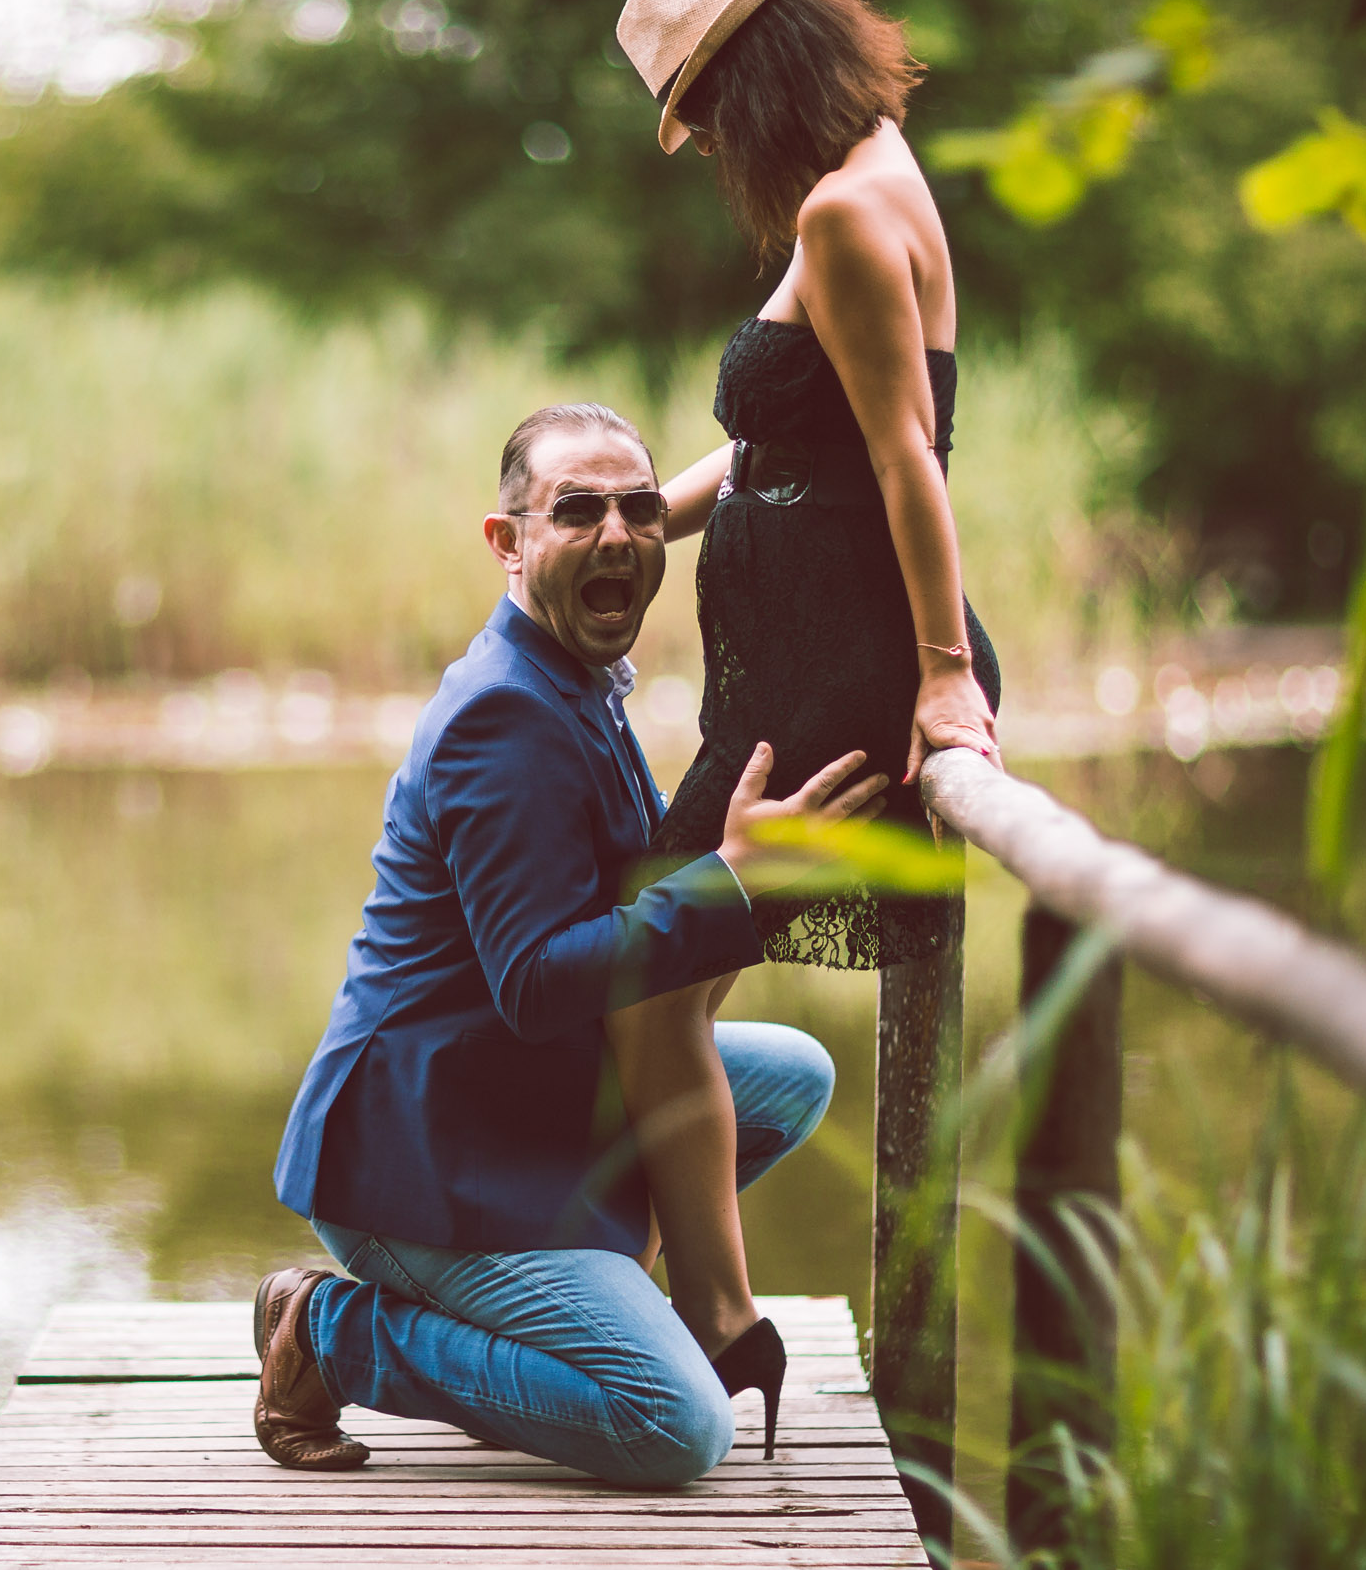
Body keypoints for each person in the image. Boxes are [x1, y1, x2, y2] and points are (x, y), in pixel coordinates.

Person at [254, 401, 891, 1487]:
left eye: (640, 512)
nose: (616, 536)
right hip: (419, 1154)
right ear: (509, 544)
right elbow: (540, 987)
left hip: (520, 1102)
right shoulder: (501, 717)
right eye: (578, 510)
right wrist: (731, 881)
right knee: (676, 1427)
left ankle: (570, 1301)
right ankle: (332, 1332)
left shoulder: (572, 678)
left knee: (790, 1077)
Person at [601, 0, 1004, 1375]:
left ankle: (702, 1320)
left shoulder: (844, 212)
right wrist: (644, 521)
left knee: (648, 979)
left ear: (753, 80)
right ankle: (688, 1311)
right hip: (788, 673)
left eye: (707, 113)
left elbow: (907, 459)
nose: (710, 145)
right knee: (658, 988)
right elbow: (784, 447)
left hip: (837, 678)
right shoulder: (871, 176)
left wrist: (944, 672)